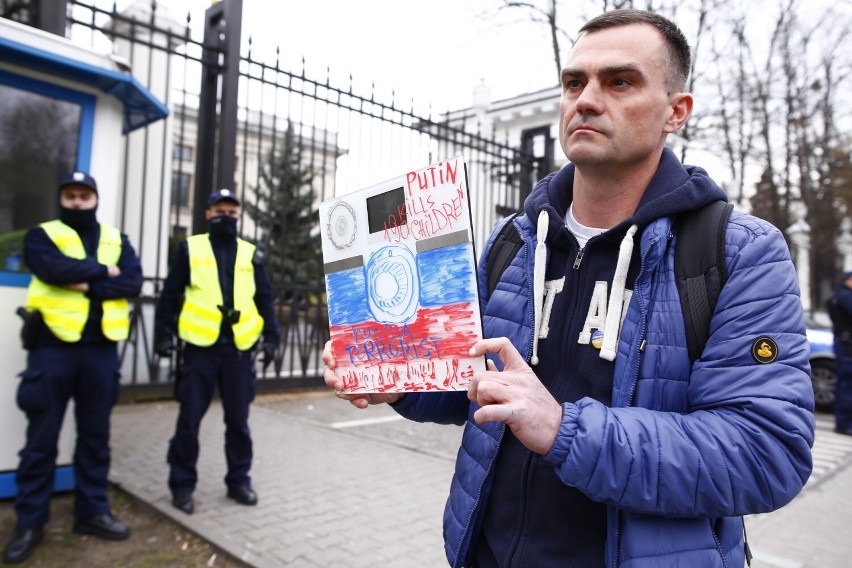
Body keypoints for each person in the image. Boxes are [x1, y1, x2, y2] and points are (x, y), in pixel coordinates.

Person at [322, 9, 815, 568]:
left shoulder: (737, 251)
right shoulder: (513, 241)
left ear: (676, 111)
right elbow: (472, 385)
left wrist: (564, 430)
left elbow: (767, 452)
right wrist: (396, 376)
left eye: (620, 81)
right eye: (574, 82)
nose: (586, 99)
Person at [3, 172, 142, 564]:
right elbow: (51, 271)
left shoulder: (116, 238)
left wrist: (85, 281)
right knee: (41, 440)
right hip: (52, 349)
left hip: (100, 352)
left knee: (95, 437)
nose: (78, 201)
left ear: (94, 198)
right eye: (71, 195)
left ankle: (92, 512)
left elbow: (131, 281)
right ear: (61, 198)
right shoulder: (41, 235)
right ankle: (30, 522)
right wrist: (103, 272)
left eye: (84, 195)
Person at [154, 188, 280, 516]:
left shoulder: (251, 254)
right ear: (208, 214)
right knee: (189, 421)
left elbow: (265, 298)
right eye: (220, 210)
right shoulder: (189, 248)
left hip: (238, 351)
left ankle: (238, 480)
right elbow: (170, 294)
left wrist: (272, 338)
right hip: (199, 350)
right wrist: (163, 334)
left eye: (232, 212)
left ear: (239, 216)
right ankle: (182, 485)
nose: (227, 216)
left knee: (238, 422)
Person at [827, 271, 852, 436]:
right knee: (847, 384)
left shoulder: (836, 296)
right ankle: (844, 424)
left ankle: (844, 422)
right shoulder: (845, 296)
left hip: (843, 342)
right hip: (847, 345)